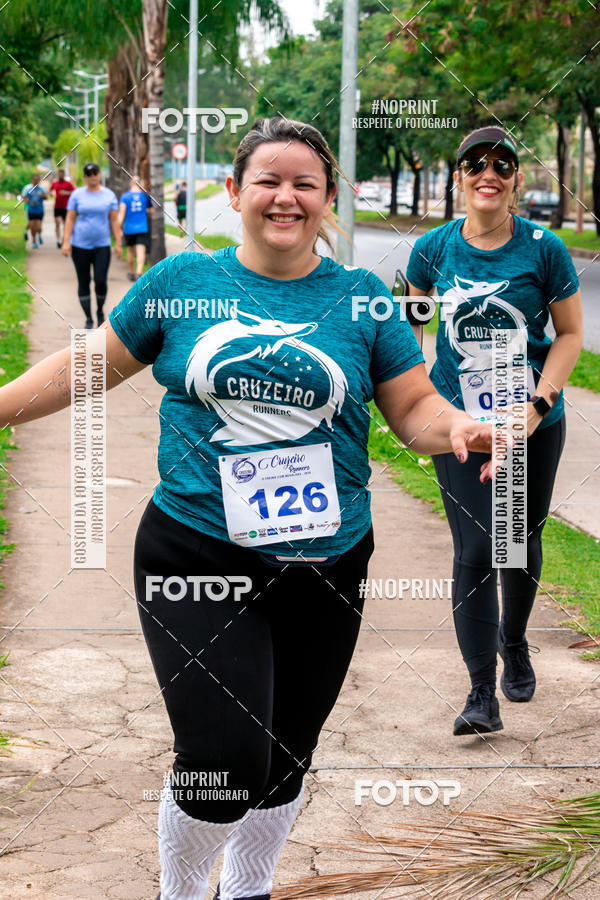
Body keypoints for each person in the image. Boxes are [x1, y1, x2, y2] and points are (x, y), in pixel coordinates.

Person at [0, 118, 494, 899]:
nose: (285, 197)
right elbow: (88, 365)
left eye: (304, 183)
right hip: (196, 553)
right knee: (226, 757)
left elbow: (415, 409)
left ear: (329, 198)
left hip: (328, 561)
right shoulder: (181, 282)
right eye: (267, 180)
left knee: (288, 754)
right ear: (234, 192)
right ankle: (184, 890)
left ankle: (248, 889)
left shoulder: (362, 299)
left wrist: (459, 428)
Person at [406, 125, 583, 737]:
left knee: (520, 539)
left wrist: (537, 403)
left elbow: (569, 335)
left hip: (533, 421)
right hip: (460, 425)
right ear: (457, 178)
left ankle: (515, 640)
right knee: (478, 547)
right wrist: (427, 401)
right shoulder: (431, 250)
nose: (489, 172)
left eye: (502, 165)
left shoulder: (544, 248)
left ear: (516, 179)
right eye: (475, 164)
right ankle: (481, 691)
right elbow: (413, 329)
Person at [62, 162, 121, 329]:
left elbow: (114, 220)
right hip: (80, 245)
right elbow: (70, 218)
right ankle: (88, 317)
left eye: (95, 172)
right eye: (88, 174)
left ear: (99, 174)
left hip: (102, 245)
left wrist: (118, 242)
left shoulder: (108, 195)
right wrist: (66, 242)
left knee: (100, 280)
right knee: (84, 281)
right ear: (84, 177)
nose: (92, 176)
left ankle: (100, 311)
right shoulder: (77, 195)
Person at [118, 176, 154, 281]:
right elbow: (152, 211)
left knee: (130, 251)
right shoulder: (145, 196)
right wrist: (144, 211)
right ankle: (139, 273)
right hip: (142, 228)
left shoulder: (125, 196)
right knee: (140, 252)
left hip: (129, 228)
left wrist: (118, 228)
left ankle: (131, 272)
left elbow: (121, 214)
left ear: (131, 184)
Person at [50, 168, 75, 248]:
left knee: (65, 224)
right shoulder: (55, 183)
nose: (60, 175)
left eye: (62, 174)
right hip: (57, 207)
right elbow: (50, 191)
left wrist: (66, 192)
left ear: (64, 175)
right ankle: (58, 240)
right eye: (59, 174)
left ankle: (64, 239)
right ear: (58, 174)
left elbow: (74, 192)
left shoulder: (68, 184)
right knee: (58, 223)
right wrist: (52, 193)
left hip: (66, 207)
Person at [22, 173, 47, 249]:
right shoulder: (29, 190)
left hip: (39, 210)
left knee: (38, 227)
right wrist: (29, 202)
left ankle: (39, 234)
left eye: (37, 180)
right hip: (31, 210)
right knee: (32, 226)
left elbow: (46, 197)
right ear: (32, 180)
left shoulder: (41, 189)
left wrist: (42, 196)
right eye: (34, 180)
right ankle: (34, 241)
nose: (36, 181)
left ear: (39, 180)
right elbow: (25, 198)